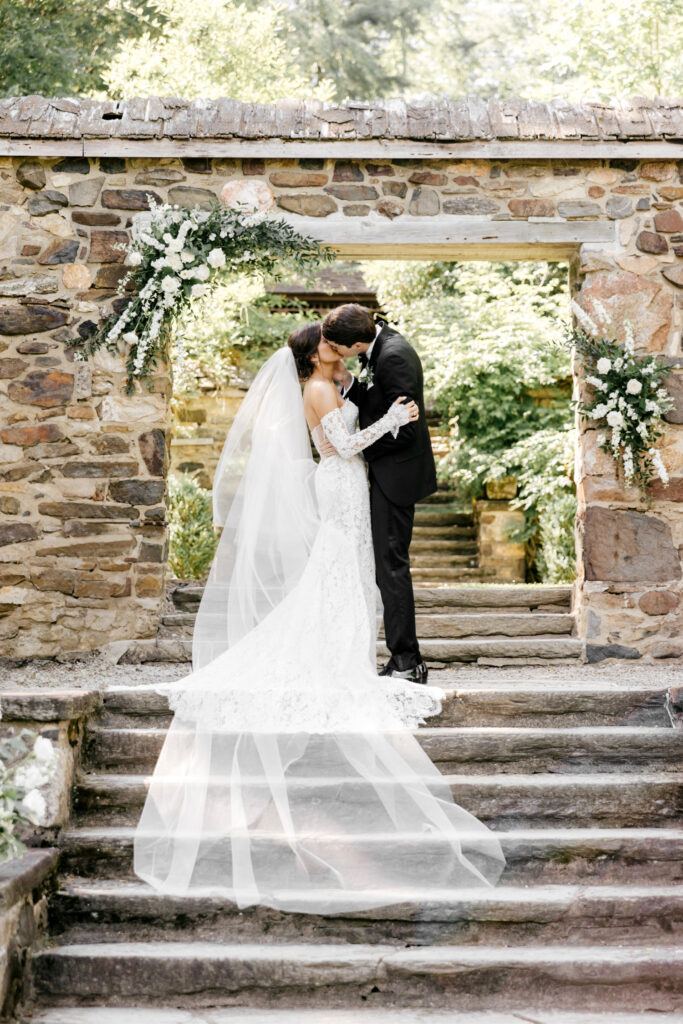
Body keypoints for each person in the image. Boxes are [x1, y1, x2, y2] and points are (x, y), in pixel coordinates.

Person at [133, 325, 505, 913]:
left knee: (349, 576)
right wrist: (395, 421)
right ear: (314, 354)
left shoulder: (332, 385)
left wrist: (365, 396)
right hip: (341, 483)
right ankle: (334, 655)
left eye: (340, 345)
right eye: (330, 347)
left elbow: (345, 421)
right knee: (339, 574)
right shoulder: (317, 390)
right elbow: (341, 448)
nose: (338, 352)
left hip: (348, 488)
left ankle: (346, 651)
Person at [322, 303, 436, 685]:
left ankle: (406, 660)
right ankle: (404, 657)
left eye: (339, 349)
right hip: (386, 473)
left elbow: (404, 427)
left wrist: (358, 450)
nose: (336, 355)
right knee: (387, 567)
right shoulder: (379, 349)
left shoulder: (394, 356)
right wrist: (352, 384)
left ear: (355, 344)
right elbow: (382, 405)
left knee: (391, 568)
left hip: (396, 476)